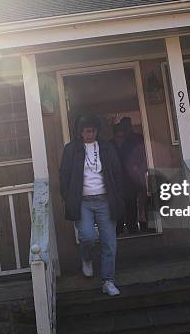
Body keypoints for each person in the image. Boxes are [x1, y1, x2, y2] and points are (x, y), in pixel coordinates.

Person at [59, 114, 124, 296]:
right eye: (87, 131)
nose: (90, 134)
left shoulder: (106, 148)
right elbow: (64, 175)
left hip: (105, 200)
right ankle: (86, 258)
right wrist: (68, 196)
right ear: (80, 132)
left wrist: (118, 196)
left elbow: (117, 173)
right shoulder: (71, 149)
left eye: (93, 131)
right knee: (88, 236)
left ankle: (108, 281)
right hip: (83, 202)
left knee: (109, 243)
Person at [119, 117, 149, 230]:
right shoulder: (121, 140)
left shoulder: (138, 138)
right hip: (126, 176)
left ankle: (143, 223)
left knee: (143, 199)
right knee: (129, 200)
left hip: (138, 173)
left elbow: (144, 153)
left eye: (127, 126)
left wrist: (141, 167)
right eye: (124, 126)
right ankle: (132, 226)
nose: (126, 128)